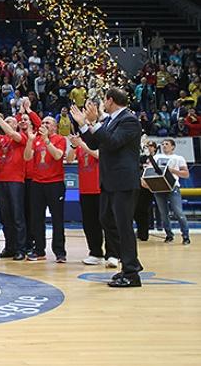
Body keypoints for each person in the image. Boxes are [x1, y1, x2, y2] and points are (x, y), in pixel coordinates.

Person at [71, 89, 145, 288]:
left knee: (123, 226)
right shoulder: (111, 120)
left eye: (105, 100)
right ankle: (130, 263)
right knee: (106, 219)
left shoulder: (129, 120)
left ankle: (131, 273)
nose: (103, 103)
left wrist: (95, 122)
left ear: (111, 101)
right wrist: (83, 124)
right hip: (110, 181)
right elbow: (95, 142)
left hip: (123, 182)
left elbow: (112, 143)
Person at [67, 134, 118, 267]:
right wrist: (73, 146)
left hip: (101, 190)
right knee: (90, 224)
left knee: (107, 222)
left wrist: (82, 145)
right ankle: (95, 253)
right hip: (85, 190)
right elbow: (69, 159)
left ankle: (113, 254)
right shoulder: (80, 146)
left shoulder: (101, 142)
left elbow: (99, 155)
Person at [0, 105, 27, 260]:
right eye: (6, 121)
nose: (7, 123)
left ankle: (21, 249)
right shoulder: (1, 139)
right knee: (5, 216)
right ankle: (10, 247)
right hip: (0, 180)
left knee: (17, 216)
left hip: (16, 181)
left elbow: (12, 133)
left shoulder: (21, 137)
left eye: (10, 121)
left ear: (16, 124)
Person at [24, 116, 68, 263]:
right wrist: (30, 140)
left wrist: (46, 140)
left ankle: (60, 252)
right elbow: (27, 157)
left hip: (55, 183)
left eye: (47, 123)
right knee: (37, 219)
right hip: (37, 183)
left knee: (57, 219)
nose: (44, 124)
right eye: (42, 123)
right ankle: (39, 250)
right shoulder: (36, 140)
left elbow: (58, 155)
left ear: (54, 126)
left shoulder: (60, 139)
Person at [146, 138, 191, 245]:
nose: (164, 145)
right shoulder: (156, 157)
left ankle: (185, 235)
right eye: (163, 144)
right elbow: (149, 169)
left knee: (178, 212)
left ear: (173, 146)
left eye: (167, 144)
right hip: (159, 187)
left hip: (173, 187)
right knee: (163, 214)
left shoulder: (178, 158)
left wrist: (172, 170)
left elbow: (186, 174)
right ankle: (169, 235)